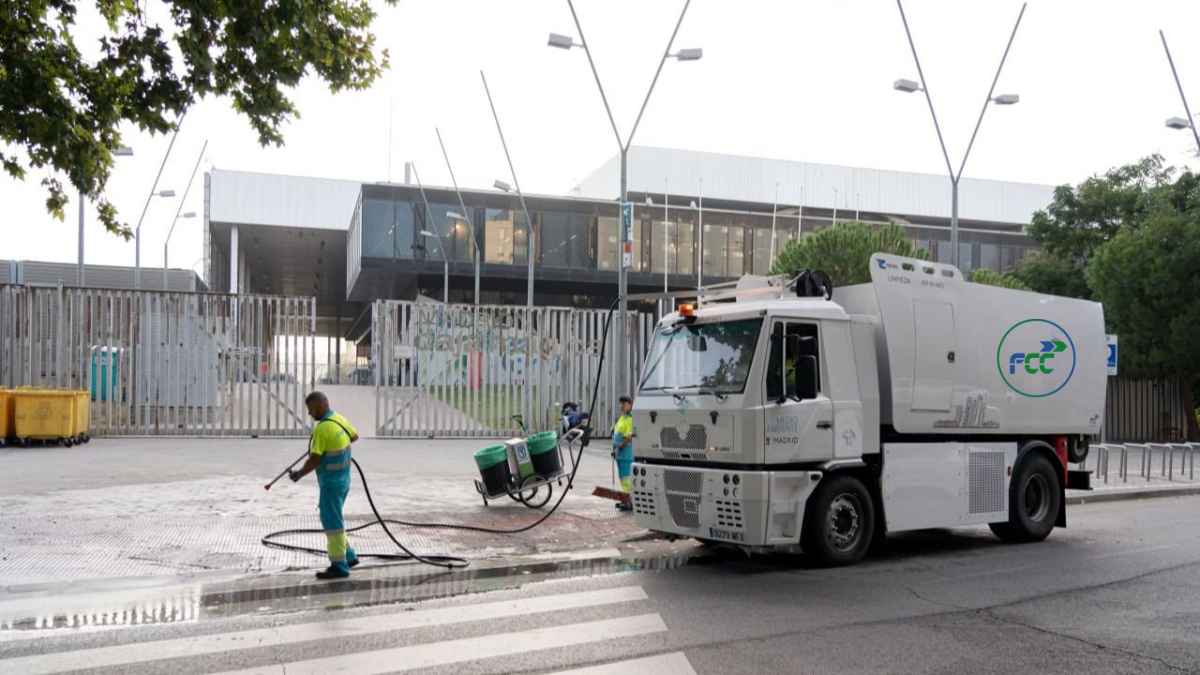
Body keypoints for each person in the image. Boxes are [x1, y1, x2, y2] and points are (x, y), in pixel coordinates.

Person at [290, 391, 361, 579]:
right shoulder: (339, 418)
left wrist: (298, 474)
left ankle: (339, 566)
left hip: (330, 484)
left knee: (332, 524)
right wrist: (335, 443)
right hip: (344, 480)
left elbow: (314, 460)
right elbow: (354, 436)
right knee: (335, 519)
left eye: (311, 409)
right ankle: (349, 556)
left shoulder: (322, 429)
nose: (310, 414)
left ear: (321, 405)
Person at [612, 395, 635, 511]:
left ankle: (630, 503)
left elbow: (630, 436)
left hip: (626, 454)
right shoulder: (623, 417)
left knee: (627, 479)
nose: (621, 406)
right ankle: (627, 501)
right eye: (620, 403)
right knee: (623, 478)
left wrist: (620, 446)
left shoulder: (631, 419)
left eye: (624, 403)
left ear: (630, 405)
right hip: (620, 454)